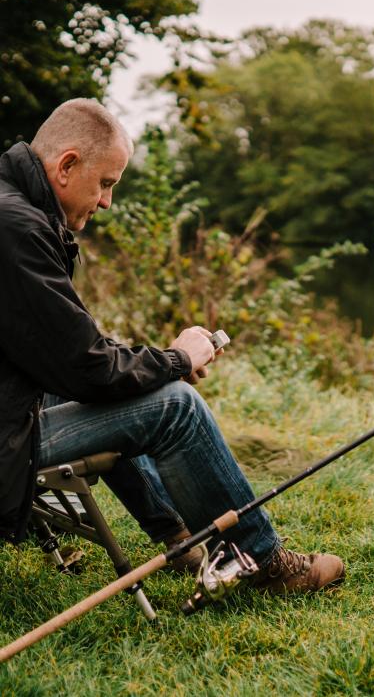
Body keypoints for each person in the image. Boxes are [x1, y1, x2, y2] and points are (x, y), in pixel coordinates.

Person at [0, 98, 345, 595]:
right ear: (67, 165)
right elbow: (89, 369)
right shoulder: (17, 229)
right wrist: (178, 360)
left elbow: (63, 350)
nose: (106, 202)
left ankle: (182, 539)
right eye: (106, 183)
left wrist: (157, 365)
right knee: (175, 407)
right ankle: (263, 562)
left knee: (136, 388)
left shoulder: (11, 208)